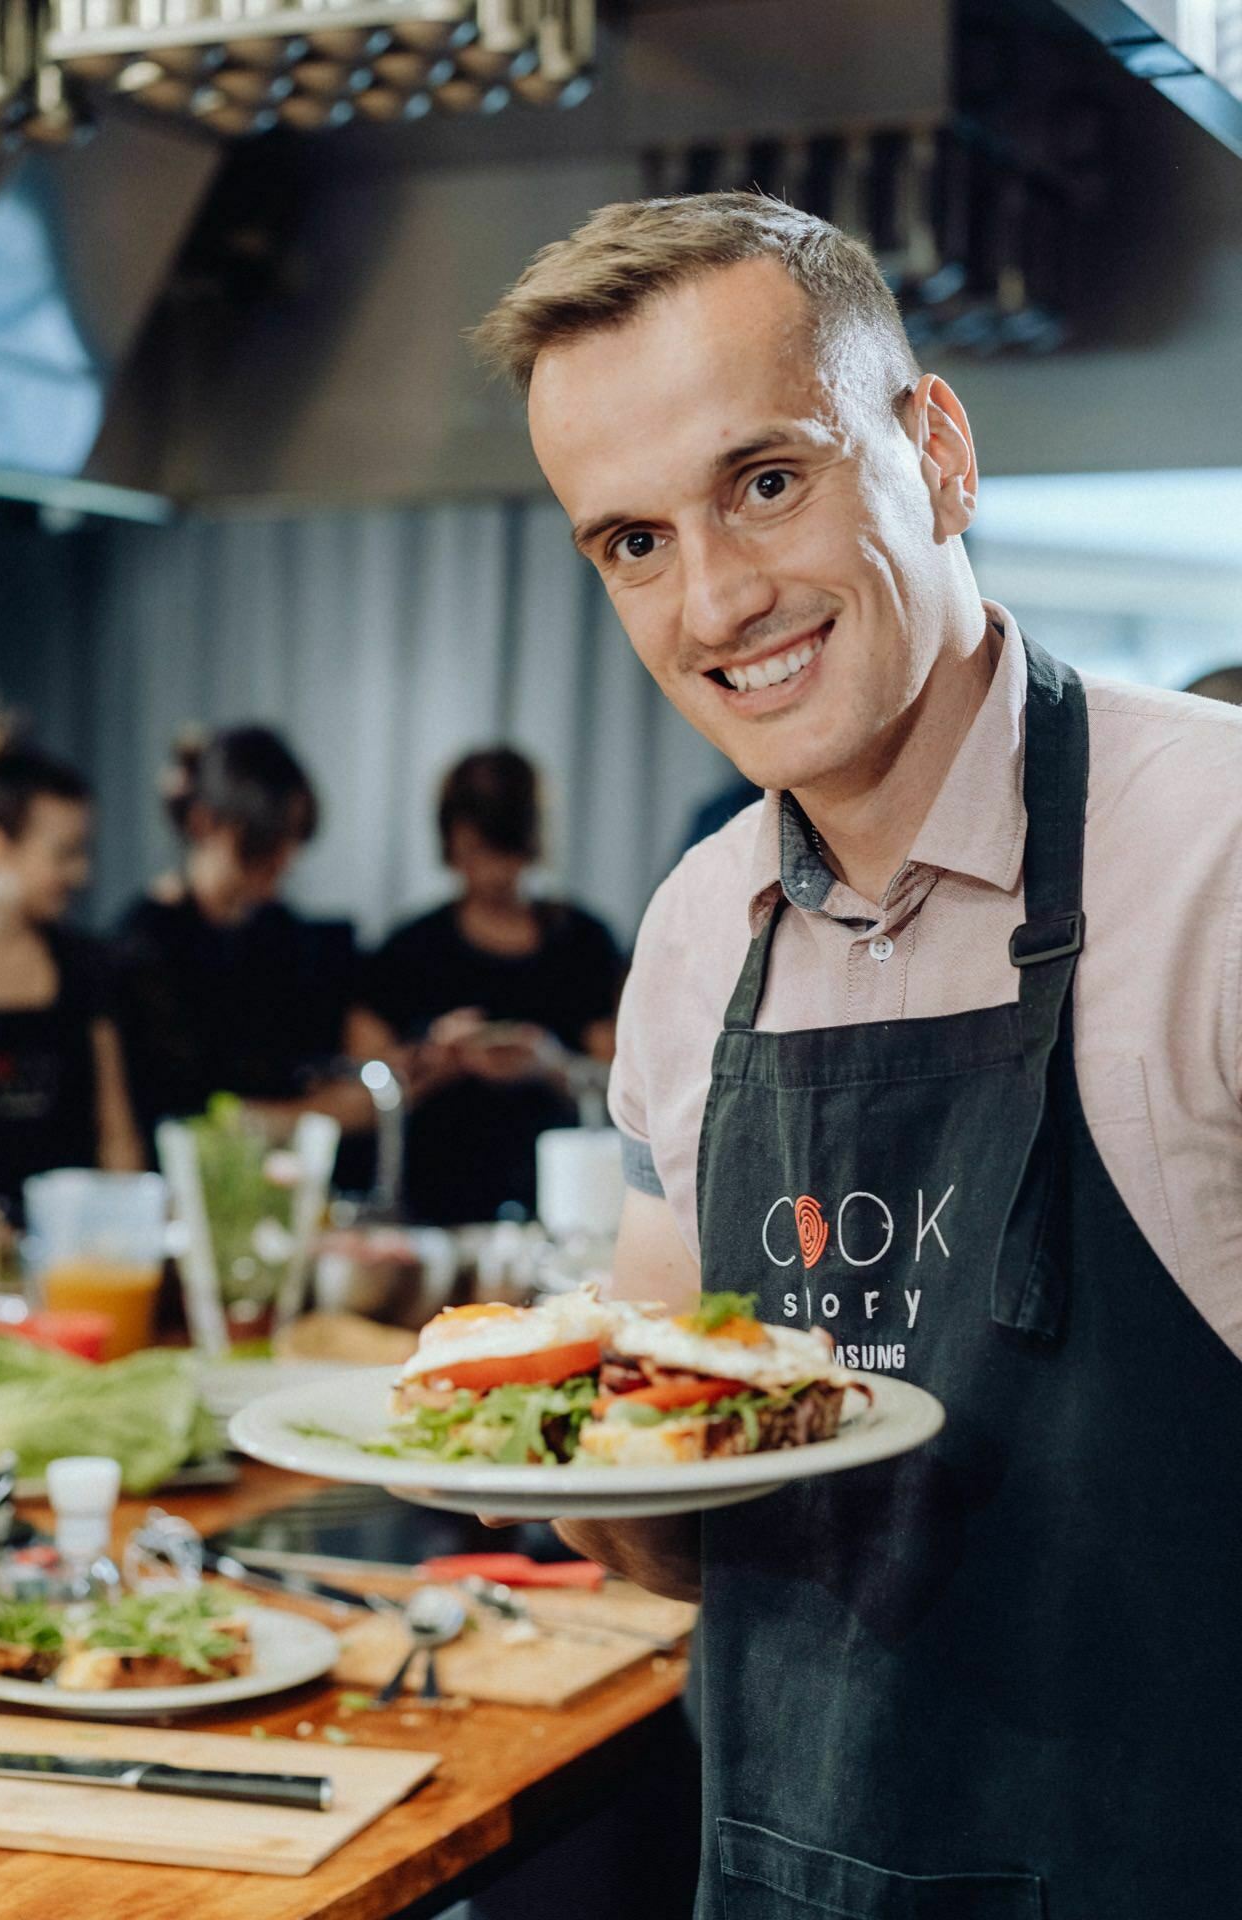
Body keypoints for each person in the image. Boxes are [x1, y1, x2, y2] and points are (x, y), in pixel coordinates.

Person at [473, 193, 1242, 1915]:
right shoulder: (691, 938)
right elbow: (668, 1526)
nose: (719, 601)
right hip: (788, 1870)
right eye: (632, 544)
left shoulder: (1219, 854)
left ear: (936, 451)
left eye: (766, 481)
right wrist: (565, 1457)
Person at [360, 748, 624, 1224]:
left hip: (560, 1209)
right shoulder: (409, 950)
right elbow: (363, 1089)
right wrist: (434, 1061)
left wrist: (548, 1063)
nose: (491, 873)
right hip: (432, 1207)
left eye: (502, 853)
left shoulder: (582, 944)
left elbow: (625, 1085)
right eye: (472, 853)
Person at [114, 725, 378, 1151]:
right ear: (203, 823)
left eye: (292, 841)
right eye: (266, 842)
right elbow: (186, 1112)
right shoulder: (145, 945)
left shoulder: (285, 934)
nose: (284, 860)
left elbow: (342, 1076)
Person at [0, 719, 143, 1212]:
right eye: (64, 854)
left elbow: (117, 1137)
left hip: (73, 1250)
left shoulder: (86, 965)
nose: (81, 873)